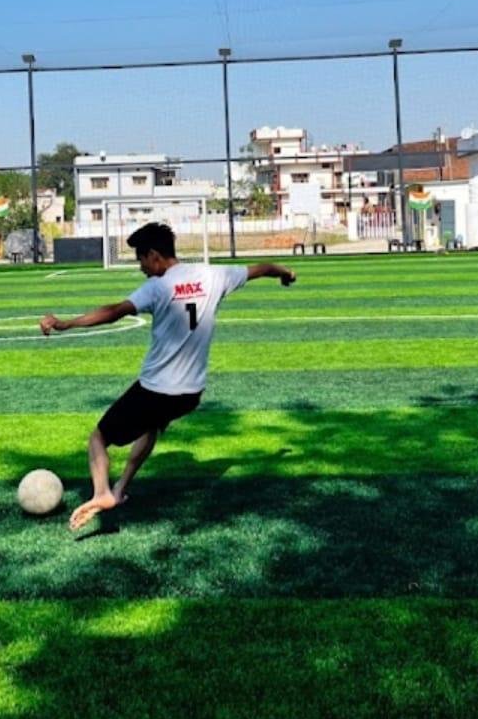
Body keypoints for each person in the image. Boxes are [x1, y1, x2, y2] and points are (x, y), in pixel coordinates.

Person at [39, 222, 295, 536]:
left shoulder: (158, 287)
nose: (141, 268)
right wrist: (285, 272)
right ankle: (120, 490)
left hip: (156, 389)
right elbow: (263, 268)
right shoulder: (214, 275)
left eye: (141, 260)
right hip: (190, 394)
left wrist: (66, 324)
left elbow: (114, 311)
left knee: (98, 438)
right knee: (150, 426)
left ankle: (101, 492)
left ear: (155, 256)